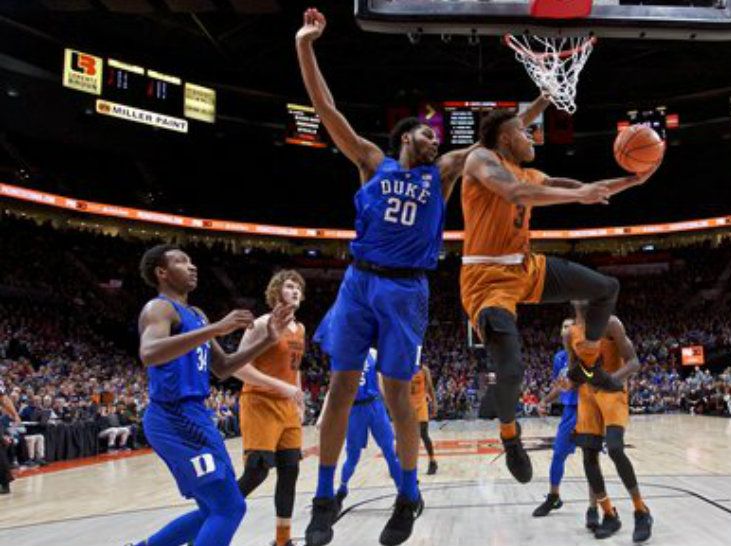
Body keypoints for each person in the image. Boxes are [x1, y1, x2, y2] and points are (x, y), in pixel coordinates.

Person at [295, 8, 549, 545]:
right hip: (359, 282)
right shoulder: (371, 161)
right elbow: (325, 108)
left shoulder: (445, 173)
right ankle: (322, 498)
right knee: (338, 390)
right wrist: (305, 44)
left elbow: (504, 136)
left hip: (408, 287)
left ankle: (407, 493)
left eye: (438, 138)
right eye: (428, 136)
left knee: (396, 396)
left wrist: (543, 99)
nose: (436, 141)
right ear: (407, 138)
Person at [460, 110, 661, 482]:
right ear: (505, 139)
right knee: (511, 370)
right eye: (524, 130)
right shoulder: (481, 159)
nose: (531, 135)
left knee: (605, 288)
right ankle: (509, 436)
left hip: (527, 268)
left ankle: (587, 365)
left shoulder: (532, 175)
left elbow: (580, 188)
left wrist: (632, 181)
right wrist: (582, 193)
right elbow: (515, 193)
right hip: (487, 280)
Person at [126, 244, 294, 546]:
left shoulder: (197, 315)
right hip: (172, 417)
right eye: (181, 262)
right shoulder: (159, 308)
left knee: (213, 509)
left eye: (191, 261)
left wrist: (267, 340)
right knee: (230, 507)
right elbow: (149, 353)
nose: (192, 266)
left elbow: (224, 367)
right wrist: (217, 328)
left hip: (199, 417)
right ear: (162, 273)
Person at [232, 270, 308, 546]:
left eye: (298, 286)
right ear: (277, 292)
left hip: (287, 407)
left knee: (290, 472)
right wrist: (280, 387)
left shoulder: (299, 329)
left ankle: (282, 541)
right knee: (257, 471)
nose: (296, 290)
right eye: (289, 286)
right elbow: (238, 367)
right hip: (259, 402)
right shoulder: (263, 323)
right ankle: (210, 521)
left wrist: (297, 396)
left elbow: (294, 368)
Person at [566, 302, 652, 542]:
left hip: (613, 390)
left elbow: (633, 361)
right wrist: (561, 387)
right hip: (587, 396)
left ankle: (641, 511)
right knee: (589, 456)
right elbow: (574, 370)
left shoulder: (611, 323)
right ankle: (608, 514)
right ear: (571, 298)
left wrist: (611, 379)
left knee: (615, 448)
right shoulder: (570, 333)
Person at [533, 318, 599, 530]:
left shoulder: (586, 353)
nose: (567, 328)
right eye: (563, 325)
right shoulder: (559, 358)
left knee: (591, 460)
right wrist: (544, 401)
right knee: (558, 454)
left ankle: (593, 508)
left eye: (571, 325)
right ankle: (554, 496)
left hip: (589, 410)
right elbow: (560, 387)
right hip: (570, 411)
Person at [337, 349, 403, 502]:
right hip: (354, 410)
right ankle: (342, 487)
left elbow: (380, 382)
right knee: (353, 457)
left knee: (390, 452)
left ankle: (401, 491)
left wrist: (392, 409)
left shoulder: (373, 352)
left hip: (375, 406)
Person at [410, 364, 438, 475]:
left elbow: (430, 387)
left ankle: (432, 461)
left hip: (421, 404)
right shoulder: (403, 366)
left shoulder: (424, 369)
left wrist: (434, 403)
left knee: (423, 434)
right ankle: (405, 463)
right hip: (408, 404)